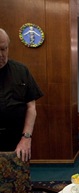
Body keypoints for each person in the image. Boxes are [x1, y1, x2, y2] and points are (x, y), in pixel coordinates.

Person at [0, 28, 43, 162]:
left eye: (4, 49)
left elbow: (31, 107)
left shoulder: (21, 71)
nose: (1, 55)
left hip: (16, 140)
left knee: (16, 180)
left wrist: (26, 137)